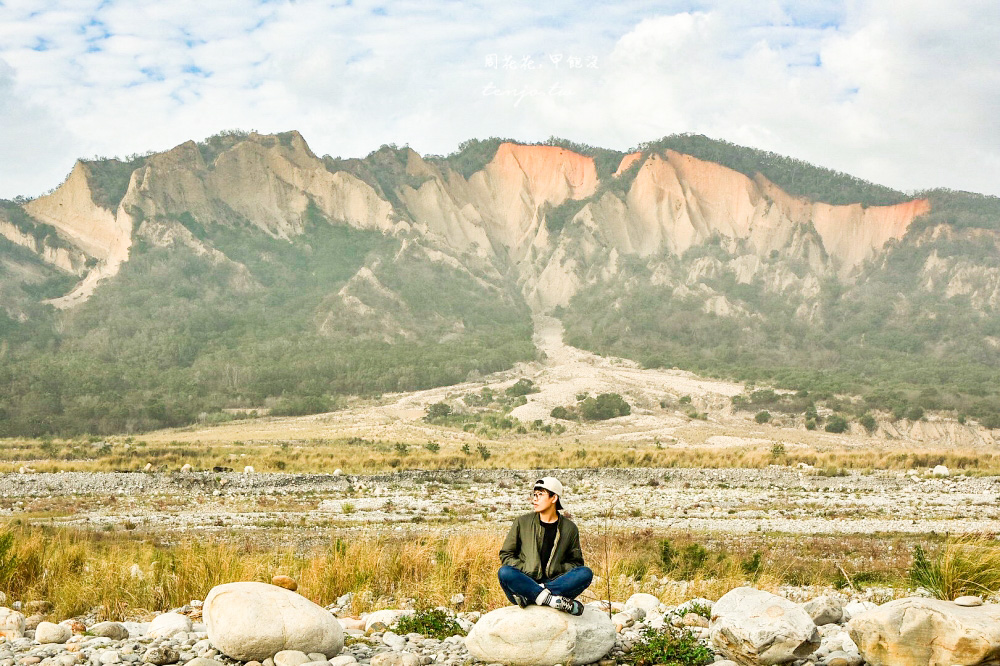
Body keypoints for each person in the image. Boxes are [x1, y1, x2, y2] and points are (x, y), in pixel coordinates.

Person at [497, 476, 593, 615]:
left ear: (554, 498)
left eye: (540, 495)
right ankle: (553, 601)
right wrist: (525, 568)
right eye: (534, 495)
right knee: (504, 572)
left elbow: (576, 563)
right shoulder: (522, 522)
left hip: (554, 583)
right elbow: (506, 554)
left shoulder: (569, 528)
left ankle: (534, 595)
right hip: (525, 579)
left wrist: (558, 569)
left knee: (585, 573)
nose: (535, 499)